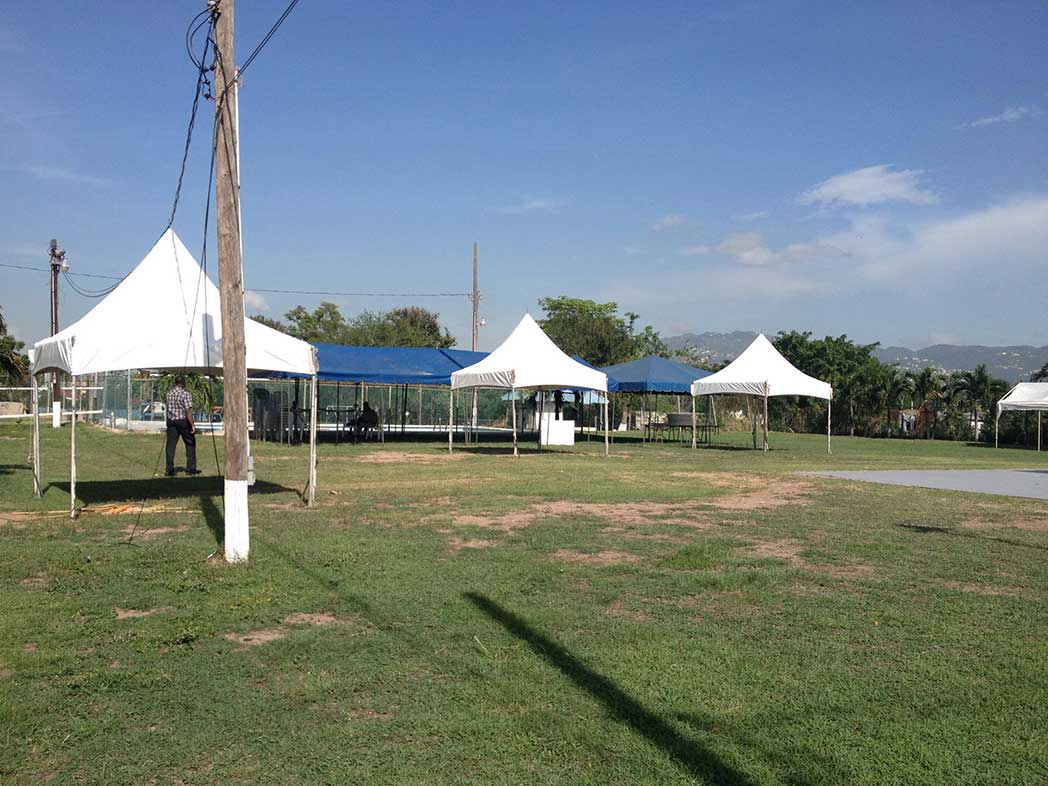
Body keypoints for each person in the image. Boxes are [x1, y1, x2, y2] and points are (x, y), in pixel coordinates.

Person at [165, 375, 199, 476]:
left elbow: (168, 407)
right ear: (183, 383)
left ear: (175, 383)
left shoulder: (169, 393)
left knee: (170, 446)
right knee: (190, 443)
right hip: (182, 421)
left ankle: (169, 469)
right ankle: (190, 468)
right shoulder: (185, 394)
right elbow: (188, 411)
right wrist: (192, 424)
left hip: (171, 421)